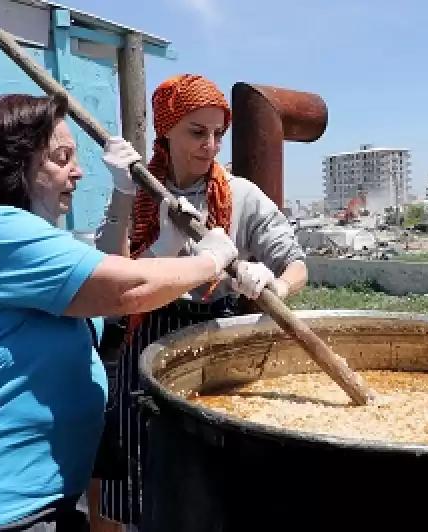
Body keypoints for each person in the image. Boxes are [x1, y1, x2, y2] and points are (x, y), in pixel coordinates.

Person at [0, 93, 241, 532]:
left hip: (34, 492)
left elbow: (113, 286)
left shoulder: (36, 238)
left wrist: (158, 235)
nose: (78, 172)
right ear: (15, 163)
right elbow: (129, 290)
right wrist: (212, 260)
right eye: (62, 158)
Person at [90, 74, 308, 531]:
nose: (210, 146)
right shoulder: (139, 191)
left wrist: (274, 285)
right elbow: (112, 275)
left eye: (217, 134)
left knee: (208, 477)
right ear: (165, 130)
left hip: (216, 345)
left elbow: (296, 263)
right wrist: (123, 195)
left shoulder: (241, 196)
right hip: (144, 337)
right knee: (141, 475)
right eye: (196, 131)